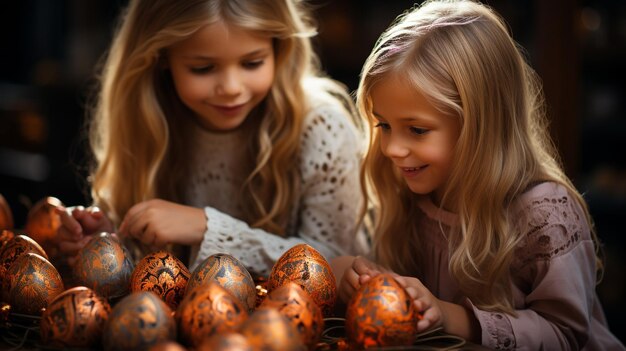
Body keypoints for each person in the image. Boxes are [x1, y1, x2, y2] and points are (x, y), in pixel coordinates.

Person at [330, 0, 625, 349]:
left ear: (481, 126)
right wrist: (346, 273)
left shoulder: (543, 213)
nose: (393, 148)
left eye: (417, 130)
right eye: (384, 125)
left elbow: (566, 334)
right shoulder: (411, 189)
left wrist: (454, 317)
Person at [54, 0, 368, 277]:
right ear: (161, 58)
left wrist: (207, 229)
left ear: (279, 46)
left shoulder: (321, 128)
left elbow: (339, 262)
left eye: (252, 63)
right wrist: (111, 238)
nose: (231, 87)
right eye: (203, 68)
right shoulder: (150, 123)